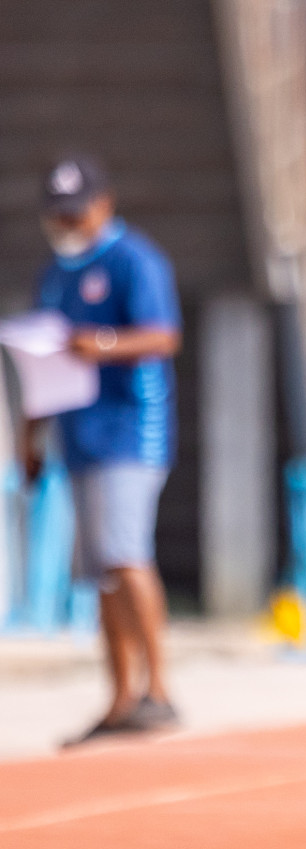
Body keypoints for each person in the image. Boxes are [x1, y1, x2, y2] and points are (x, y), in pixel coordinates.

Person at [20, 156, 182, 744]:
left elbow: (164, 335)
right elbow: (41, 357)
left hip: (132, 428)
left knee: (125, 553)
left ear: (104, 203)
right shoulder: (55, 273)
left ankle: (159, 689)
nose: (67, 221)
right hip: (78, 435)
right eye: (58, 212)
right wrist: (29, 439)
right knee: (101, 574)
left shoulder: (134, 259)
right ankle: (120, 699)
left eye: (76, 209)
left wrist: (102, 343)